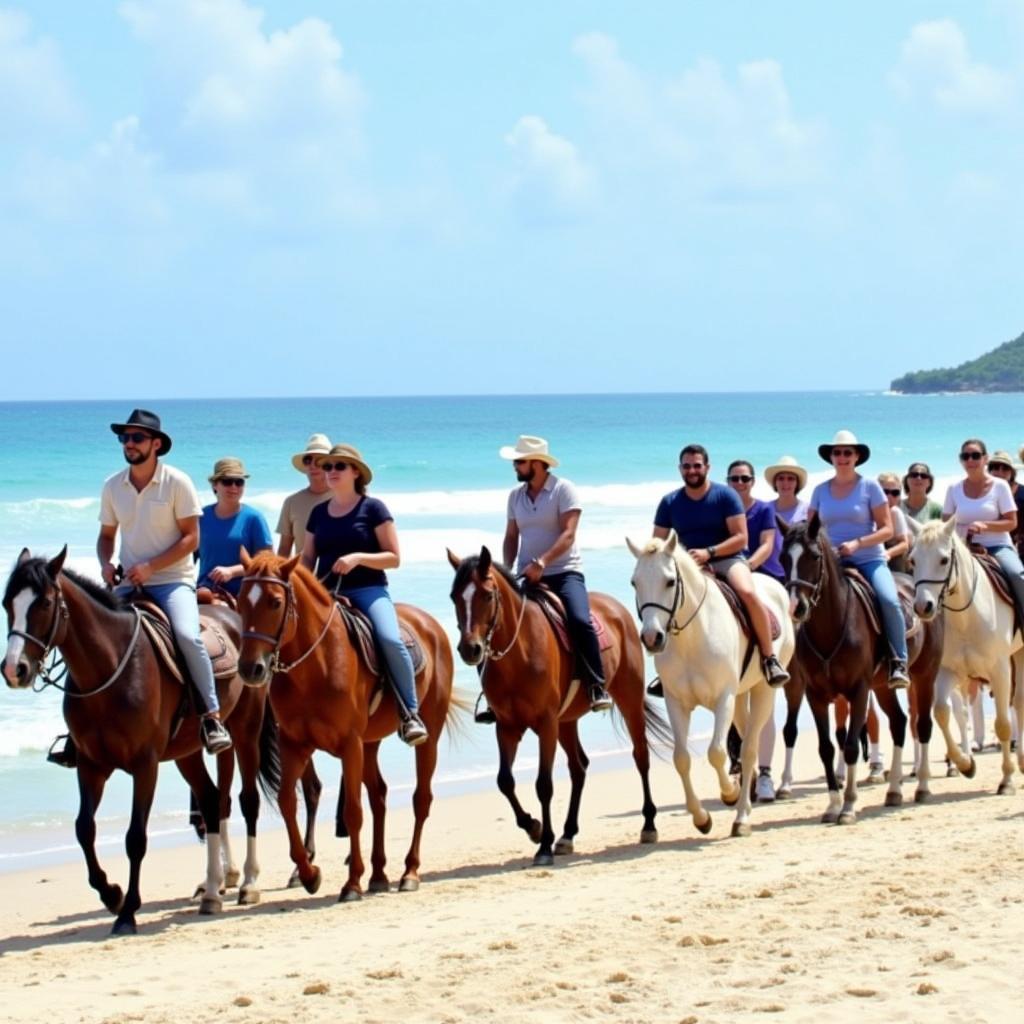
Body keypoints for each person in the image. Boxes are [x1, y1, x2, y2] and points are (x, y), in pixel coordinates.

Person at [302, 443, 428, 746]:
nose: (330, 471)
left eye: (338, 466)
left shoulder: (373, 509)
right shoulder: (318, 513)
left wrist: (357, 557)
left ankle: (409, 713)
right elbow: (307, 558)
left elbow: (394, 557)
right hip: (327, 592)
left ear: (355, 472)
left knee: (389, 638)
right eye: (328, 466)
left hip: (368, 590)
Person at [653, 443, 790, 687]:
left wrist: (709, 552)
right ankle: (666, 668)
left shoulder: (725, 496)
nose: (692, 470)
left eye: (697, 465)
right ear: (680, 469)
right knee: (662, 598)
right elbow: (659, 542)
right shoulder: (669, 502)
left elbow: (741, 538)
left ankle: (769, 658)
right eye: (687, 466)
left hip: (728, 559)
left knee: (748, 593)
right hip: (688, 566)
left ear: (707, 467)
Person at [498, 435, 612, 716]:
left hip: (564, 572)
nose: (515, 466)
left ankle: (596, 684)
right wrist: (506, 572)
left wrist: (543, 561)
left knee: (579, 620)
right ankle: (492, 697)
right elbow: (511, 536)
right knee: (491, 623)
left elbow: (568, 534)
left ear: (537, 463)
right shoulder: (515, 496)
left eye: (519, 461)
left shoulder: (564, 489)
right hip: (526, 574)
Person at [808, 430, 909, 687]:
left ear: (856, 457)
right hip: (833, 563)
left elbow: (886, 529)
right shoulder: (820, 490)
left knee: (889, 599)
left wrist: (857, 543)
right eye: (837, 452)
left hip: (868, 559)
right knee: (803, 600)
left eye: (847, 453)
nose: (842, 457)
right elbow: (810, 529)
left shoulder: (870, 487)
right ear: (831, 457)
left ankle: (898, 660)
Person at [726, 460, 787, 800]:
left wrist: (748, 564)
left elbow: (766, 544)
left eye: (745, 478)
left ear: (752, 482)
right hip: (725, 569)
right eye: (734, 478)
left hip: (760, 572)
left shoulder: (762, 509)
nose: (740, 483)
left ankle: (771, 657)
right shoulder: (723, 506)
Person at [943, 438, 1024, 620]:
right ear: (961, 460)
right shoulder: (953, 489)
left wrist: (985, 525)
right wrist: (964, 530)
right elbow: (946, 525)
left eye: (975, 456)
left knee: (1017, 575)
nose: (970, 460)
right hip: (963, 548)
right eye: (966, 456)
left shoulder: (1000, 486)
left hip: (997, 546)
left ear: (985, 459)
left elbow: (1012, 522)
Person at [197, 457, 273, 599]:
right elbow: (187, 560)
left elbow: (267, 563)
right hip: (204, 592)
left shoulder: (254, 519)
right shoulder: (201, 517)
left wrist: (232, 571)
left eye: (239, 482)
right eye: (227, 481)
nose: (234, 487)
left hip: (245, 595)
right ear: (214, 485)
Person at [276, 433, 332, 557]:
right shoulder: (292, 502)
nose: (312, 465)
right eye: (308, 460)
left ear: (329, 464)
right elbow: (284, 549)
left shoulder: (344, 498)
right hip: (302, 575)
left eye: (319, 460)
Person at [987, 450, 1024, 555]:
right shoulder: (981, 493)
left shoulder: (1022, 493)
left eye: (1005, 468)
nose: (1000, 472)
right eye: (995, 467)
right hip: (985, 545)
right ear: (989, 471)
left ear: (1012, 472)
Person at [877, 471, 912, 574]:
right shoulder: (868, 511)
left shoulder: (895, 512)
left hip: (893, 563)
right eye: (885, 492)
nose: (889, 496)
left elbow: (904, 544)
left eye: (895, 493)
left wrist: (887, 553)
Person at [766, 455, 810, 527]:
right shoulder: (766, 509)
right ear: (775, 482)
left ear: (797, 483)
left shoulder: (807, 510)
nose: (785, 483)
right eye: (781, 478)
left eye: (790, 479)